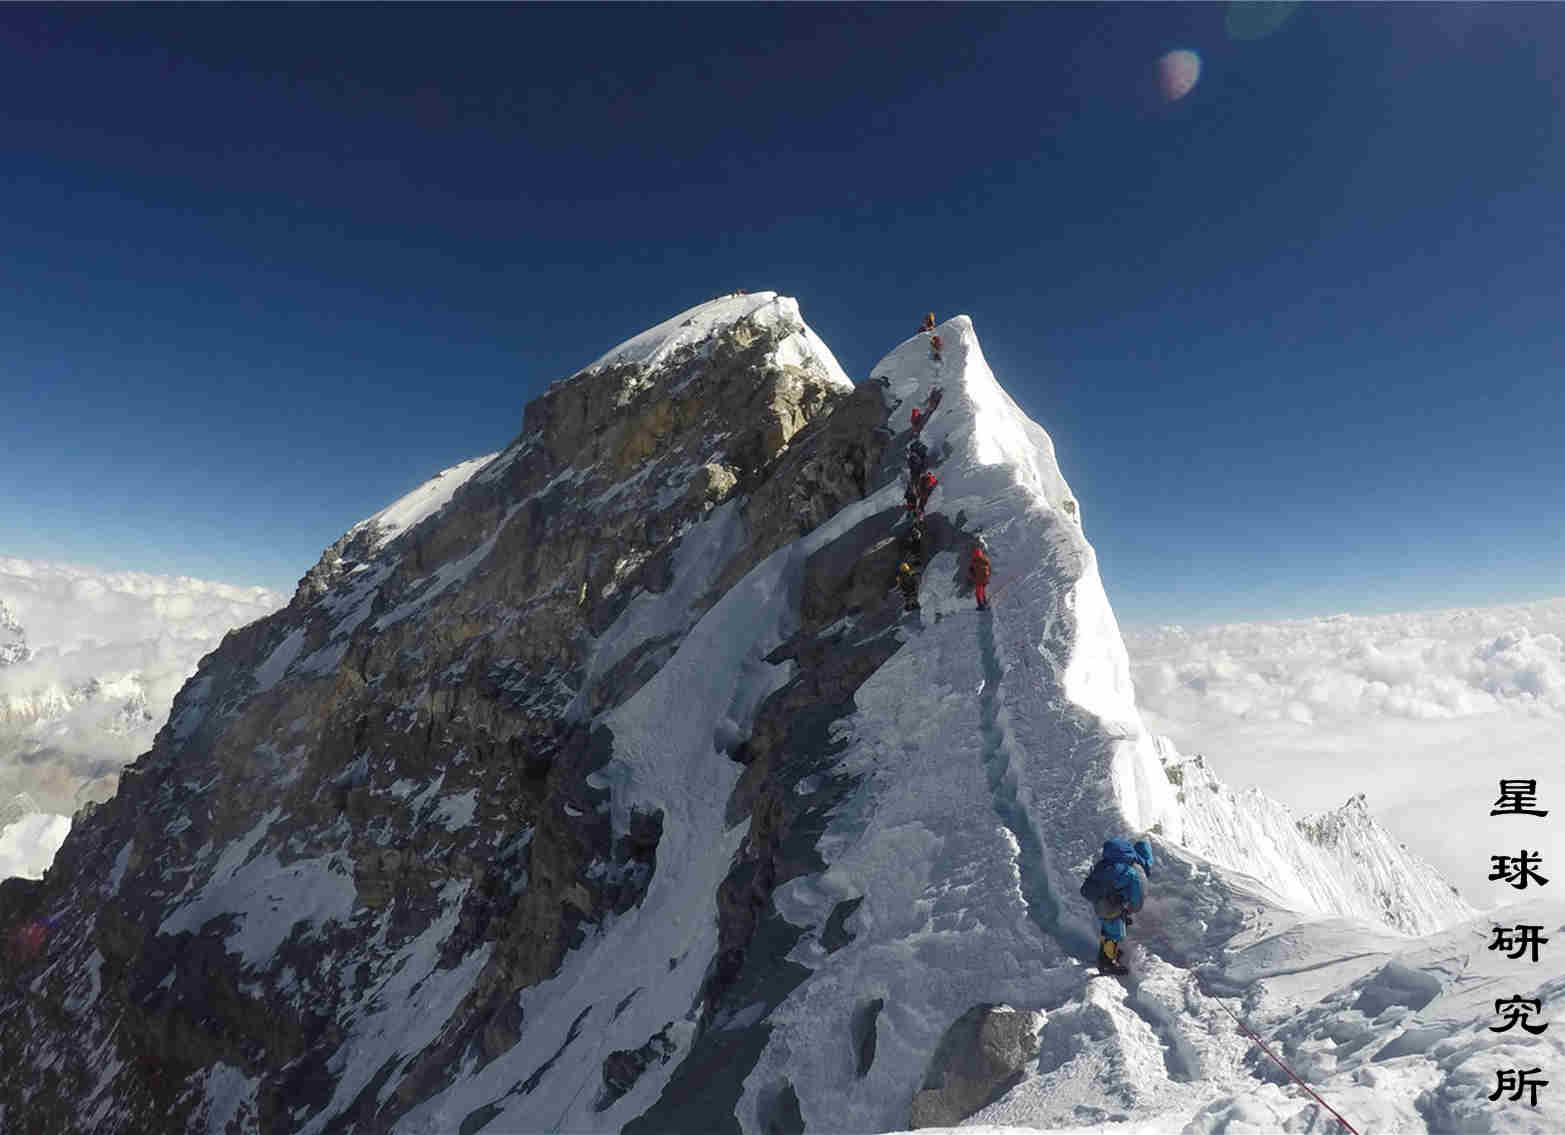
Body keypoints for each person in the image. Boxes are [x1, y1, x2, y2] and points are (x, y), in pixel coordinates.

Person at [1079, 838, 1155, 976]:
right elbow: (1136, 894)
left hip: (1100, 904)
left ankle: (1108, 954)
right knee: (1113, 934)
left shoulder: (1104, 865)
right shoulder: (1129, 871)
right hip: (1113, 907)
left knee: (1107, 930)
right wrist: (1133, 908)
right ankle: (1107, 963)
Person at [967, 538, 990, 610]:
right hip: (984, 580)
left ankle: (981, 606)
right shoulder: (984, 560)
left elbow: (972, 572)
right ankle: (985, 603)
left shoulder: (975, 563)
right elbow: (987, 570)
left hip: (978, 581)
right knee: (982, 592)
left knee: (978, 593)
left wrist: (971, 577)